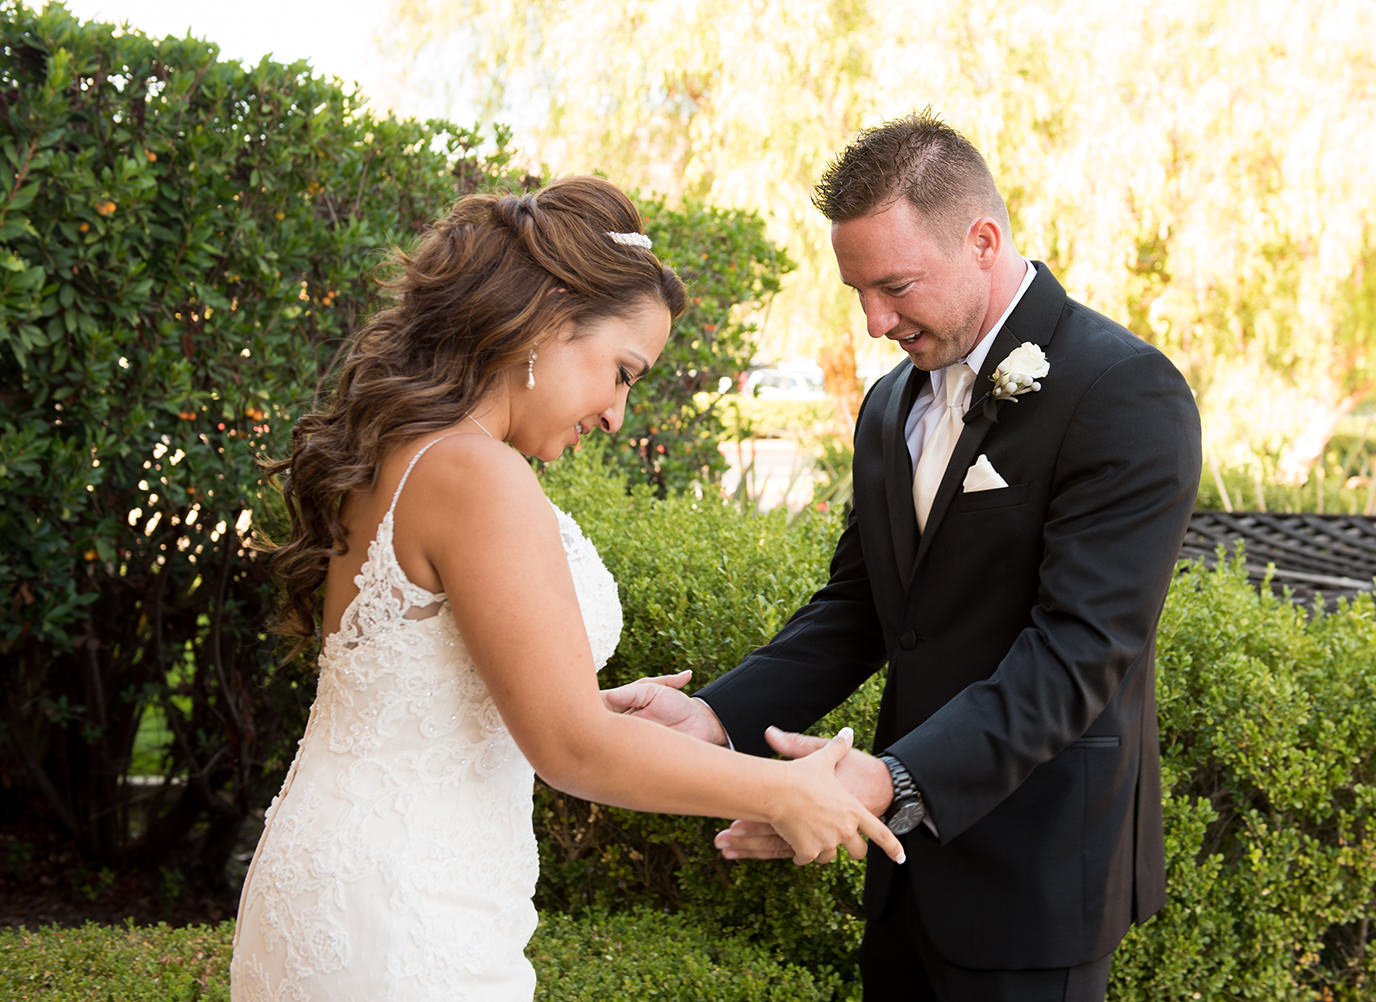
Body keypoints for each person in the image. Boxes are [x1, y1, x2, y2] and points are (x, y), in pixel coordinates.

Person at [228, 176, 901, 1002]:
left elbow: (441, 689)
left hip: (343, 881)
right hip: (404, 916)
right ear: (547, 323)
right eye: (622, 372)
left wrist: (560, 701)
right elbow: (571, 750)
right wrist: (782, 787)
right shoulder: (478, 474)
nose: (619, 414)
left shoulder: (406, 449)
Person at [607, 111, 1202, 1000]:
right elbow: (862, 606)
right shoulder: (890, 404)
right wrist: (717, 720)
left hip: (1036, 876)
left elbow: (1079, 652)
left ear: (983, 240)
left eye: (897, 286)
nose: (876, 321)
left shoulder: (1122, 391)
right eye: (858, 292)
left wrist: (889, 782)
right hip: (904, 878)